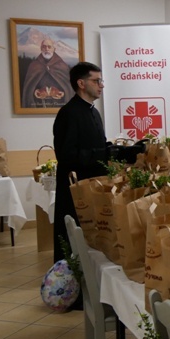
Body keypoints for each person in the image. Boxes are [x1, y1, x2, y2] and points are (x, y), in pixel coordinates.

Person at [52, 62, 108, 263]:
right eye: (96, 80)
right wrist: (103, 154)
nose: (101, 85)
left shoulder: (93, 111)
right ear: (81, 83)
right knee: (73, 244)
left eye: (101, 80)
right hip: (75, 190)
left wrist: (119, 152)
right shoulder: (68, 113)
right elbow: (67, 156)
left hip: (94, 186)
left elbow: (98, 145)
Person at [22, 38, 72, 108]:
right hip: (38, 105)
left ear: (54, 49)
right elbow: (28, 89)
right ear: (41, 48)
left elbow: (69, 88)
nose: (46, 49)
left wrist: (63, 93)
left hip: (59, 106)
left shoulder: (62, 66)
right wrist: (36, 92)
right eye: (44, 46)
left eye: (49, 47)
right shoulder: (34, 65)